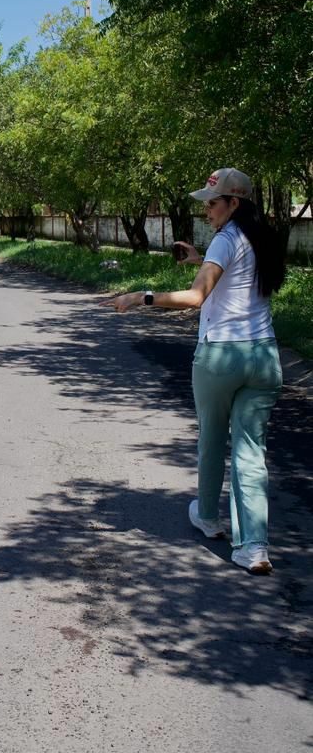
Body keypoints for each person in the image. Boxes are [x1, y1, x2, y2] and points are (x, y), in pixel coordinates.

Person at [103, 168, 286, 574]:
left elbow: (196, 297)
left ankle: (207, 516)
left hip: (221, 357)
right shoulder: (263, 238)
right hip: (264, 357)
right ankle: (254, 547)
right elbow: (239, 275)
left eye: (213, 202)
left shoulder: (225, 239)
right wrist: (201, 260)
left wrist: (141, 297)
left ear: (234, 203)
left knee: (212, 438)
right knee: (251, 452)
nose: (207, 210)